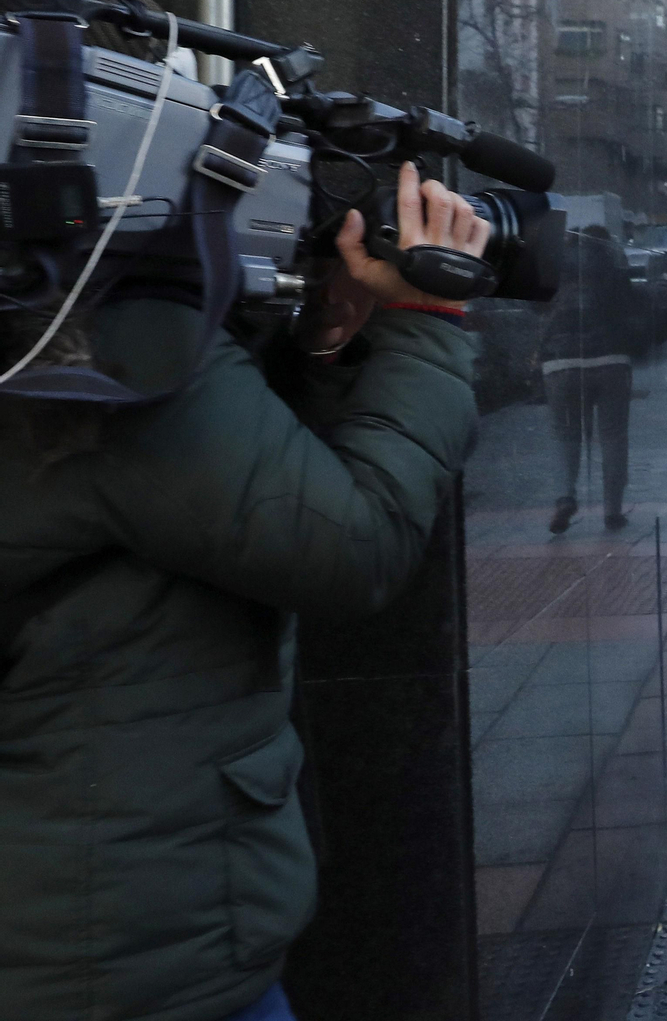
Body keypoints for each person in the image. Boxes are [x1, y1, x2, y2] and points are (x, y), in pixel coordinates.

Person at [0, 159, 487, 1021]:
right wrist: (430, 318)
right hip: (120, 947)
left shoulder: (45, 316)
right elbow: (353, 544)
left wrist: (325, 342)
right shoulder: (109, 340)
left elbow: (233, 489)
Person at [544, 225, 635, 533]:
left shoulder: (554, 264)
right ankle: (613, 511)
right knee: (613, 436)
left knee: (565, 435)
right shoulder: (614, 265)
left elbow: (537, 307)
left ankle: (565, 497)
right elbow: (630, 307)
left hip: (562, 362)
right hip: (611, 360)